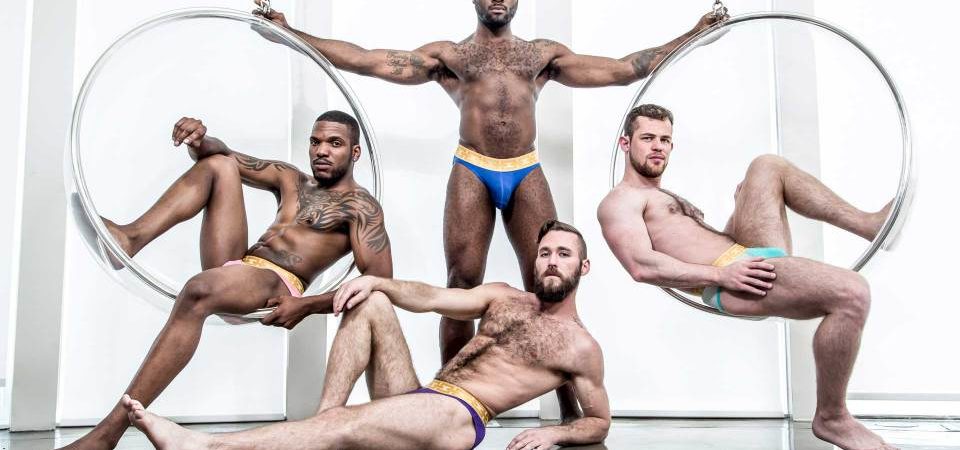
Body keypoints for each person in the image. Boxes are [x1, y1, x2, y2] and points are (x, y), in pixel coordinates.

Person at [253, 0, 724, 416]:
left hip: (525, 169)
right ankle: (448, 395)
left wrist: (694, 34)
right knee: (460, 283)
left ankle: (567, 406)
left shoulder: (540, 55)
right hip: (472, 169)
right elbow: (367, 60)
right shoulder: (451, 56)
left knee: (548, 289)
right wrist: (291, 33)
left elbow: (625, 68)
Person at [120, 220, 610, 450]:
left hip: (458, 419)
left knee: (347, 426)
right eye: (545, 253)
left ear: (582, 267)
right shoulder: (504, 296)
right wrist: (380, 282)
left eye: (564, 254)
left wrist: (552, 434)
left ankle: (208, 448)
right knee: (370, 300)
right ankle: (320, 422)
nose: (551, 261)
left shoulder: (580, 346)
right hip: (424, 396)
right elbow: (431, 297)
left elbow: (599, 422)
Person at [62, 111, 393, 450]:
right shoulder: (291, 179)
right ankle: (129, 240)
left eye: (334, 143)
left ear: (354, 152)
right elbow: (225, 153)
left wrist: (306, 306)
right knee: (220, 164)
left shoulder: (361, 208)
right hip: (239, 265)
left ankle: (107, 435)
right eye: (315, 141)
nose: (321, 150)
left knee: (198, 290)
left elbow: (380, 281)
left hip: (277, 284)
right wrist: (199, 140)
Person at [597, 104, 896, 450]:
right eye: (648, 138)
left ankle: (868, 225)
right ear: (625, 143)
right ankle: (832, 417)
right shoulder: (619, 201)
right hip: (735, 280)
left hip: (742, 255)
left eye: (665, 140)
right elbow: (641, 266)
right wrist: (722, 275)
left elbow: (708, 243)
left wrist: (742, 207)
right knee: (852, 292)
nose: (658, 147)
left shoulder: (662, 195)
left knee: (766, 166)